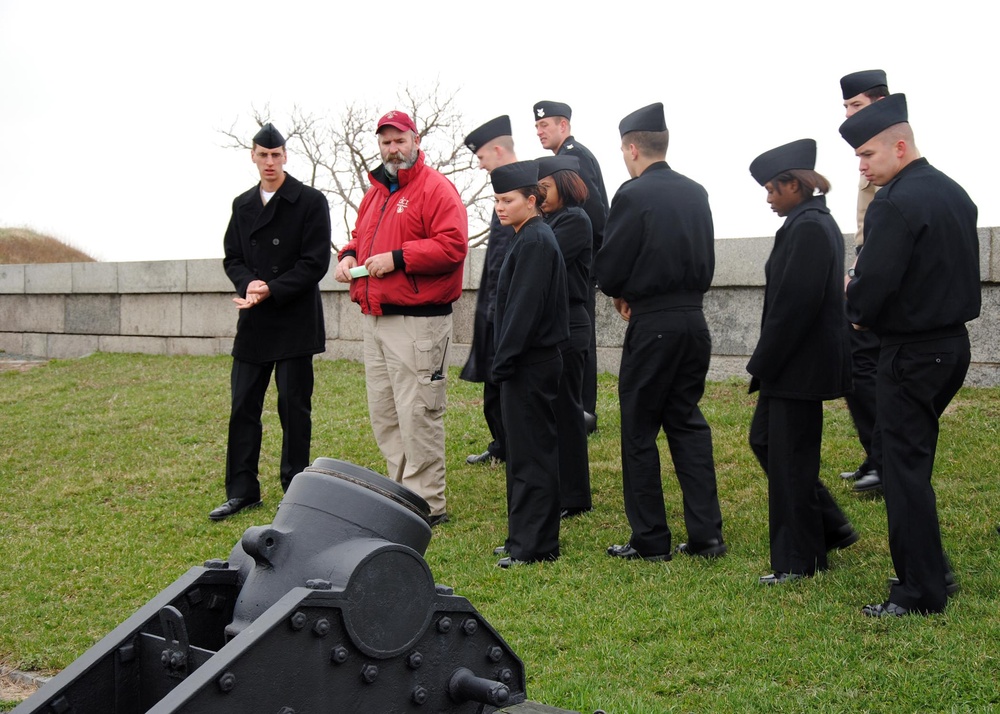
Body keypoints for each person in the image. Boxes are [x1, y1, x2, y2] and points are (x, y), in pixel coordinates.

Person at [841, 94, 980, 616]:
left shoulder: (895, 202)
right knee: (911, 463)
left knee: (902, 472)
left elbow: (870, 291)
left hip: (911, 352)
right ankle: (933, 570)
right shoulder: (953, 192)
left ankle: (921, 591)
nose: (862, 166)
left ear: (900, 147)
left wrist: (852, 297)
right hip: (951, 346)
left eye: (868, 155)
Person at [594, 102, 726, 562]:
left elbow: (610, 267)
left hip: (653, 325)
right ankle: (707, 536)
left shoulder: (633, 194)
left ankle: (650, 539)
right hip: (694, 320)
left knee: (639, 430)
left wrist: (623, 291)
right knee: (687, 423)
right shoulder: (697, 192)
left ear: (631, 148)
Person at [334, 110, 468, 527]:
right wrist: (348, 255)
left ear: (416, 139)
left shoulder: (436, 188)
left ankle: (428, 503)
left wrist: (397, 259)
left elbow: (453, 245)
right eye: (386, 142)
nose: (393, 149)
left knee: (418, 413)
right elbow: (363, 237)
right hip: (375, 319)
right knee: (386, 414)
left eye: (400, 140)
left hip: (418, 322)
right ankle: (400, 494)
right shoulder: (375, 192)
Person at [746, 139, 858, 584]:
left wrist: (762, 362)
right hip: (794, 365)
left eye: (773, 189)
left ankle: (800, 560)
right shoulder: (808, 222)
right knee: (769, 443)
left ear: (795, 185)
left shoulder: (810, 226)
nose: (769, 197)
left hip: (798, 366)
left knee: (790, 458)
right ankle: (829, 526)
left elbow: (795, 306)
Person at [211, 123, 332, 521]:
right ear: (252, 155)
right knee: (243, 405)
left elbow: (314, 263)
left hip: (294, 317)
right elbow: (233, 257)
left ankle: (295, 490)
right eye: (263, 155)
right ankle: (242, 491)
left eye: (276, 155)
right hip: (255, 319)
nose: (269, 162)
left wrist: (272, 288)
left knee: (293, 407)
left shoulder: (310, 201)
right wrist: (250, 284)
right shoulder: (242, 204)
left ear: (285, 156)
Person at [490, 160, 570, 567]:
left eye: (508, 200)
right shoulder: (527, 236)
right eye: (497, 200)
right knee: (522, 454)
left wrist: (503, 362)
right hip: (525, 361)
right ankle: (522, 538)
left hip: (531, 362)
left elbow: (523, 310)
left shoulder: (537, 240)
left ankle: (535, 547)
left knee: (533, 455)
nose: (500, 207)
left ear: (532, 200)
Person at [533, 100, 609, 432]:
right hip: (574, 254)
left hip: (579, 260)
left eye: (545, 125)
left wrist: (592, 261)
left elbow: (594, 213)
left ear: (563, 125)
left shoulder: (574, 157)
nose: (539, 131)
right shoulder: (565, 156)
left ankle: (583, 411)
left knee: (581, 343)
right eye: (536, 127)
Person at [838, 69, 890, 494]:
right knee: (860, 367)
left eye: (856, 105)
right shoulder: (870, 149)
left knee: (866, 367)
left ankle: (883, 461)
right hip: (865, 260)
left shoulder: (890, 148)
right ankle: (876, 455)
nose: (849, 114)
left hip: (879, 265)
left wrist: (861, 273)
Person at [460, 116, 518, 467]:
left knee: (508, 380)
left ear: (498, 149)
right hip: (495, 300)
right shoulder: (503, 188)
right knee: (493, 380)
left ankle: (512, 446)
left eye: (482, 157)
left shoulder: (530, 186)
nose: (480, 165)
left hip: (511, 301)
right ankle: (501, 444)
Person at [538, 155, 593, 519]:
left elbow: (543, 258)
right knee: (555, 410)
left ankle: (574, 496)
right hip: (554, 323)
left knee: (567, 411)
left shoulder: (573, 220)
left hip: (571, 323)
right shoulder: (550, 220)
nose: (539, 197)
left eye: (544, 189)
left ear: (565, 185)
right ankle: (559, 489)